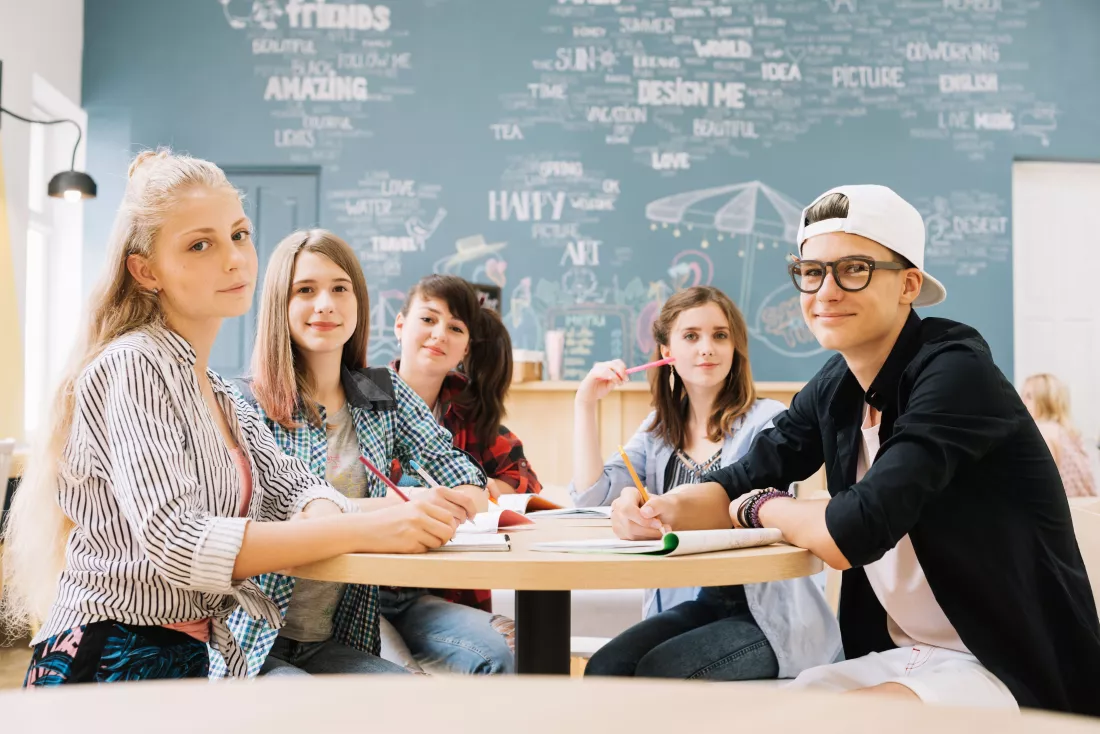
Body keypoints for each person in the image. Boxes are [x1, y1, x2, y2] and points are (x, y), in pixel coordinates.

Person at [1, 150, 467, 685]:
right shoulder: (133, 365)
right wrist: (369, 525)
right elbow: (177, 542)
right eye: (201, 244)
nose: (234, 259)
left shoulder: (217, 391)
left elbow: (296, 488)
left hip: (185, 657)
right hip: (109, 663)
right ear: (145, 269)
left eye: (239, 235)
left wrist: (335, 516)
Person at [640, 185, 1100, 713]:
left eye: (853, 269)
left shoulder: (956, 371)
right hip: (912, 655)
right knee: (787, 711)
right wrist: (661, 511)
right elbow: (738, 480)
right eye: (811, 272)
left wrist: (763, 506)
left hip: (1011, 660)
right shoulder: (836, 385)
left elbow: (849, 532)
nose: (825, 292)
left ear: (909, 285)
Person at [216, 230, 488, 678]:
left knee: (418, 710)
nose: (325, 303)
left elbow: (467, 480)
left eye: (340, 289)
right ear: (279, 305)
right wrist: (392, 508)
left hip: (336, 638)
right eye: (306, 290)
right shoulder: (242, 401)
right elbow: (262, 524)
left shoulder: (379, 391)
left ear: (358, 303)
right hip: (250, 645)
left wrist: (451, 498)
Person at [570, 286, 841, 680]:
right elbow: (594, 494)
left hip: (770, 615)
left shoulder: (770, 421)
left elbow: (772, 520)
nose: (707, 348)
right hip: (702, 602)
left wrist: (669, 506)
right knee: (604, 668)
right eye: (691, 336)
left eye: (720, 335)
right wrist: (585, 405)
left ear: (736, 348)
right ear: (666, 352)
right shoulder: (657, 431)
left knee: (656, 673)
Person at [376, 274, 543, 674]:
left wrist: (470, 490)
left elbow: (524, 480)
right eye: (428, 320)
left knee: (513, 652)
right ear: (400, 325)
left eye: (454, 328)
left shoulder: (467, 408)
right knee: (400, 682)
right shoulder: (363, 392)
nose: (439, 335)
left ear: (466, 345)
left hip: (434, 594)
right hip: (360, 592)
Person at [1021, 373, 1097, 498]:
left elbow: (1036, 485)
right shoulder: (1069, 433)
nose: (1021, 401)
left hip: (1067, 511)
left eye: (1029, 396)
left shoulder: (1043, 431)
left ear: (1046, 401)